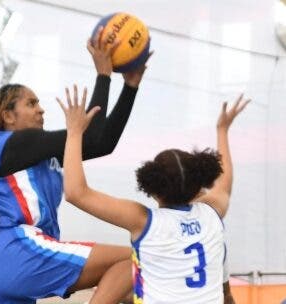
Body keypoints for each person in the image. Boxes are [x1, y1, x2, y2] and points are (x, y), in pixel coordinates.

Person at [0, 27, 150, 304]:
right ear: (8, 116)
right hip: (24, 251)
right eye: (31, 103)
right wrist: (103, 75)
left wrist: (130, 87)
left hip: (2, 265)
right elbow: (91, 135)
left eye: (39, 102)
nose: (41, 109)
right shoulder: (14, 143)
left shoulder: (34, 152)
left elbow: (101, 143)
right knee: (132, 257)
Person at [59, 92, 250, 303]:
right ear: (198, 185)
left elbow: (76, 193)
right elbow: (225, 181)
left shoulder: (143, 221)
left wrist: (74, 132)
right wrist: (222, 130)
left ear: (152, 188)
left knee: (122, 277)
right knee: (128, 287)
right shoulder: (213, 211)